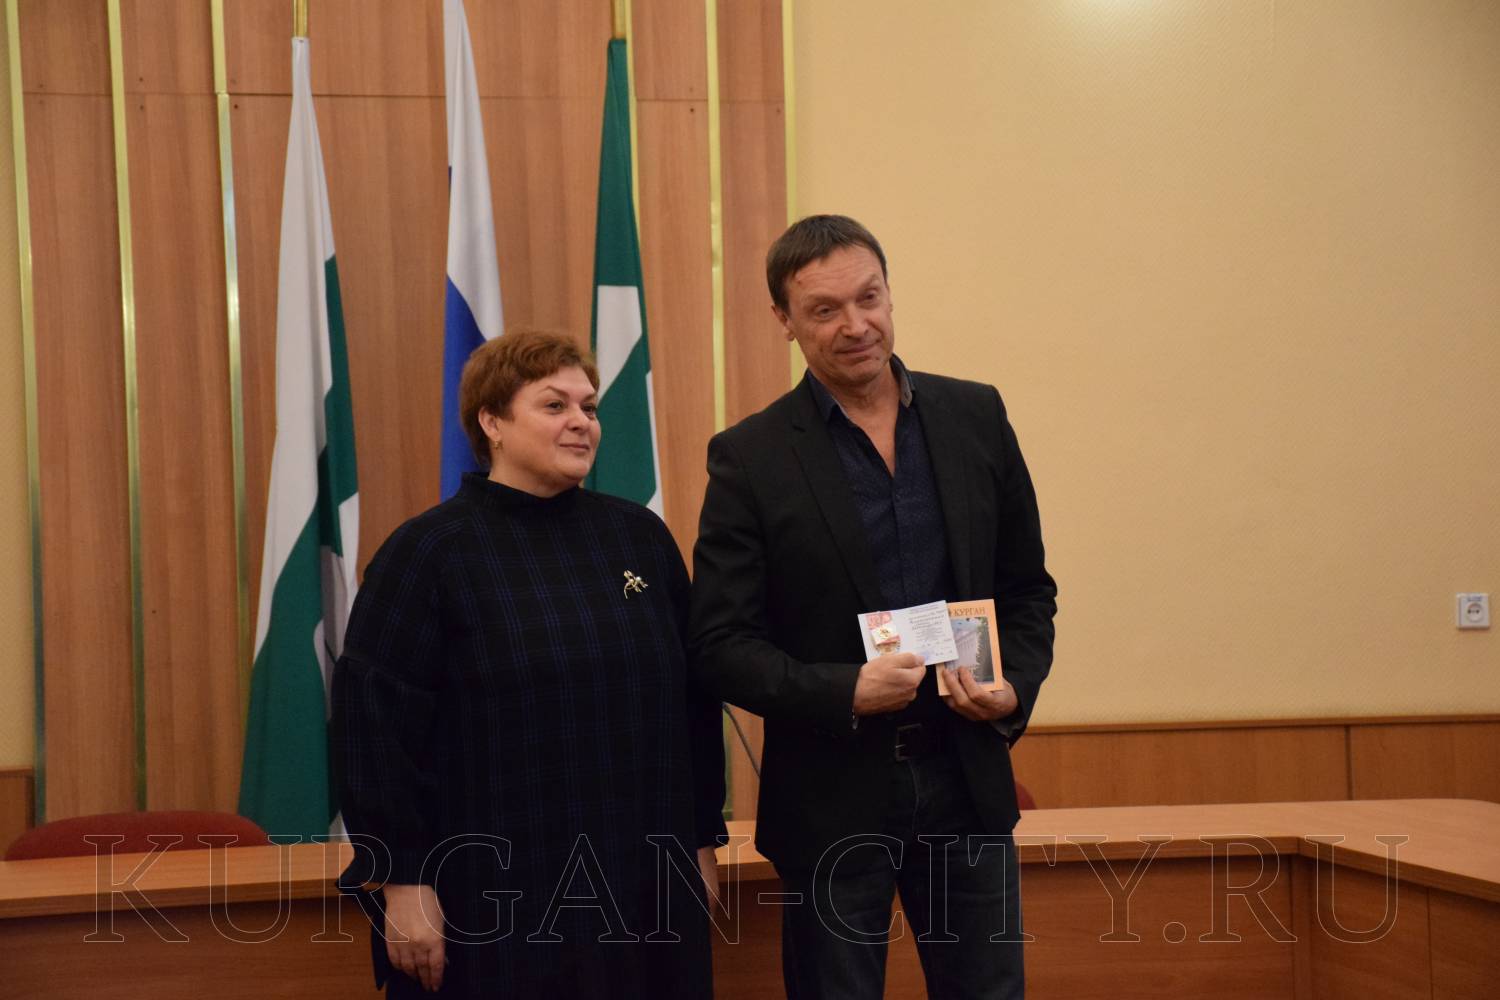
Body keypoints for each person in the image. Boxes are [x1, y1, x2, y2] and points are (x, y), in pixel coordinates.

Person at [690, 215, 1057, 999]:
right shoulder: (751, 457)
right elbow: (719, 643)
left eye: (869, 297)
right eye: (824, 310)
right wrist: (844, 689)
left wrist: (1014, 686)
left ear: (890, 294)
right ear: (784, 320)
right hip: (831, 795)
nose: (856, 325)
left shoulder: (975, 416)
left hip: (965, 775)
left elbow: (1028, 590)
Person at [331, 329, 725, 998]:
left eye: (589, 407)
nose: (581, 422)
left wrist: (699, 841)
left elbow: (690, 706)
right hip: (496, 893)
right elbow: (375, 731)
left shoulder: (640, 539)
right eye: (554, 405)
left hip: (645, 880)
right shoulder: (429, 553)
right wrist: (402, 880)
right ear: (492, 422)